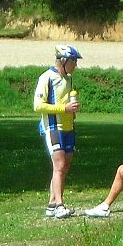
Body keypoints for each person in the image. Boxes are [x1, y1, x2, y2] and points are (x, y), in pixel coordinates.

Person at [34, 44, 82, 219]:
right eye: (73, 62)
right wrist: (64, 108)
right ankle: (60, 205)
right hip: (54, 127)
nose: (75, 65)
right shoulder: (46, 77)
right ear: (63, 61)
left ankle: (52, 204)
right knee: (59, 165)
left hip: (69, 127)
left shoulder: (68, 79)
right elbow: (38, 106)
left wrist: (72, 109)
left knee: (64, 166)